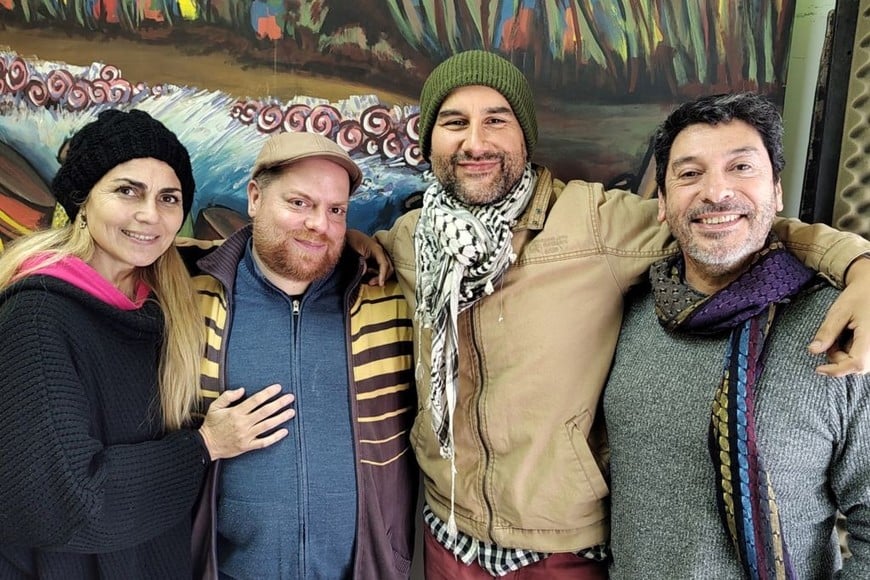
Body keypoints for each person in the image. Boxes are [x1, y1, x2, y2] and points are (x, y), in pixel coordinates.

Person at [370, 50, 870, 579]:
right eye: (454, 123)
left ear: (525, 136)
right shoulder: (410, 239)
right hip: (446, 529)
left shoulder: (594, 221)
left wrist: (858, 264)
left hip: (556, 550)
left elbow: (728, 221)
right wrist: (358, 244)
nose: (476, 142)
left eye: (496, 120)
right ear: (429, 141)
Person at [0, 109, 294, 579]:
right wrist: (205, 445)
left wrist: (355, 245)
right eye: (127, 191)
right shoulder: (37, 317)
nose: (150, 215)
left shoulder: (160, 303)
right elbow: (67, 506)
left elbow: (263, 251)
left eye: (168, 198)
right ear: (82, 201)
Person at [604, 92, 870, 578]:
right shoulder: (628, 311)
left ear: (777, 191)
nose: (716, 192)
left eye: (741, 167)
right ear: (662, 202)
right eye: (690, 174)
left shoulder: (845, 328)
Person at [189, 131, 418, 580]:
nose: (319, 224)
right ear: (255, 198)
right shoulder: (190, 293)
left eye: (336, 210)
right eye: (299, 203)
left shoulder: (386, 295)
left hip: (364, 569)